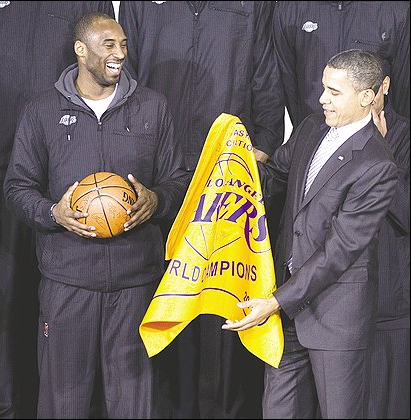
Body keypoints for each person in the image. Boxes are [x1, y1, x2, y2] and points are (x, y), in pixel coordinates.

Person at [3, 12, 189, 419]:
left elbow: (178, 180)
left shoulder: (152, 107)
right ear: (80, 49)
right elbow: (16, 188)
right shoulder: (42, 111)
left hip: (135, 284)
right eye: (109, 45)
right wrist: (54, 212)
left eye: (123, 44)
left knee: (133, 405)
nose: (120, 53)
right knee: (62, 404)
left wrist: (156, 201)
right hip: (68, 283)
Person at [118, 2, 285, 418]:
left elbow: (266, 81)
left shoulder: (250, 6)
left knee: (217, 302)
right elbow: (127, 71)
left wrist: (258, 155)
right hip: (159, 174)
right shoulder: (142, 6)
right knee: (158, 295)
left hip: (224, 179)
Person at [222, 49, 398, 419]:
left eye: (334, 92)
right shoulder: (308, 129)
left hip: (334, 320)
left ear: (367, 96)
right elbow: (275, 181)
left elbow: (340, 250)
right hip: (286, 315)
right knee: (277, 411)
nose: (322, 99)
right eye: (323, 88)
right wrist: (236, 163)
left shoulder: (377, 164)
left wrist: (275, 301)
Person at [0, 2, 114, 418]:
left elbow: (102, 60)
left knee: (63, 306)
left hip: (70, 167)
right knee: (6, 299)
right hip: (0, 168)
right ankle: (6, 405)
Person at [272, 1, 410, 131]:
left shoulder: (396, 9)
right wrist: (306, 133)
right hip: (312, 138)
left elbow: (402, 87)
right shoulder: (289, 8)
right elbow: (286, 81)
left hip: (377, 137)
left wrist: (389, 141)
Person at [367, 58, 410, 419]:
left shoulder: (404, 135)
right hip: (332, 307)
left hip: (389, 304)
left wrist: (379, 152)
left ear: (384, 87)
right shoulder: (322, 133)